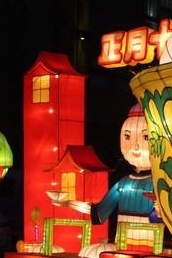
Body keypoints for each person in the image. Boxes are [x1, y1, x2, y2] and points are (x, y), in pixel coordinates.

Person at [51, 104, 160, 250]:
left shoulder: (158, 184)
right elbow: (98, 211)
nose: (135, 146)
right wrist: (68, 203)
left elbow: (166, 218)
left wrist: (159, 210)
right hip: (122, 247)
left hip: (150, 247)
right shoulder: (123, 184)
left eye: (145, 137)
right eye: (127, 137)